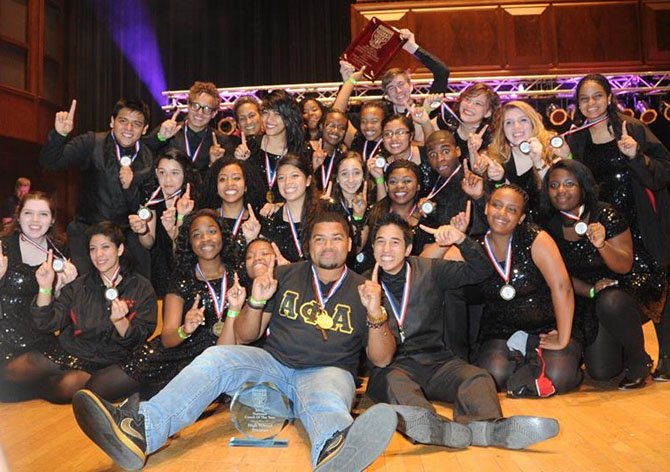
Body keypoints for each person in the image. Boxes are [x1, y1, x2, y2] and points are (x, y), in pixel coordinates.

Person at [71, 208, 399, 472]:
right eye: (319, 239)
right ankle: (140, 430)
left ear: (349, 243)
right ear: (309, 244)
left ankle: (335, 449)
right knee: (218, 357)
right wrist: (256, 300)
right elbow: (245, 335)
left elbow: (382, 359)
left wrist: (375, 313)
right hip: (274, 365)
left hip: (327, 371)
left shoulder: (365, 288)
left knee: (326, 400)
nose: (327, 246)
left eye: (336, 239)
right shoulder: (284, 276)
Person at [366, 212, 559, 449]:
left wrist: (461, 240)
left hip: (437, 362)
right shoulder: (362, 285)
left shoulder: (430, 270)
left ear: (407, 249)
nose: (386, 248)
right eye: (380, 241)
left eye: (394, 242)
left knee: (478, 376)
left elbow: (481, 271)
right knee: (395, 384)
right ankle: (431, 426)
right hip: (395, 368)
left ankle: (486, 427)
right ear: (373, 247)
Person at [565, 73, 670, 381]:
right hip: (607, 229)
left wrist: (636, 155)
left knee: (661, 286)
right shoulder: (576, 138)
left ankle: (667, 356)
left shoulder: (632, 128)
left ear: (609, 97)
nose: (591, 103)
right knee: (620, 293)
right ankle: (636, 355)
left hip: (642, 221)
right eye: (584, 98)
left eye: (597, 96)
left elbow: (663, 173)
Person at [88, 210, 242, 400]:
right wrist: (185, 329)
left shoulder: (239, 276)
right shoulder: (181, 279)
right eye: (196, 235)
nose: (205, 239)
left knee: (165, 396)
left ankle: (140, 404)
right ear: (190, 243)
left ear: (222, 235)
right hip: (174, 351)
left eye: (212, 231)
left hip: (209, 360)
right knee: (97, 387)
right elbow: (168, 337)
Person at [540, 160, 666, 388]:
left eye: (569, 184)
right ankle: (622, 347)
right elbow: (558, 276)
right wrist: (589, 290)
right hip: (586, 295)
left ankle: (639, 360)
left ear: (582, 187)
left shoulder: (605, 213)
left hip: (626, 288)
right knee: (602, 372)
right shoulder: (547, 225)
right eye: (554, 185)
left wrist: (601, 245)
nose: (561, 190)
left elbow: (625, 265)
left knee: (610, 300)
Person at [3, 222, 156, 403]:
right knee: (13, 371)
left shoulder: (140, 287)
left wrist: (120, 321)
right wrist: (45, 288)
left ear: (120, 249)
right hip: (70, 349)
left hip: (107, 360)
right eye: (93, 249)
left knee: (65, 386)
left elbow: (139, 340)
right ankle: (22, 390)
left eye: (105, 247)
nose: (98, 255)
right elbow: (47, 323)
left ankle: (31, 390)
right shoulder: (79, 285)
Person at [472, 185, 582, 394]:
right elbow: (428, 262)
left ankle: (533, 361)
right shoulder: (475, 245)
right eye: (497, 205)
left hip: (549, 325)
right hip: (502, 330)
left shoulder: (535, 238)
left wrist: (563, 337)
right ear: (486, 208)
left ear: (521, 218)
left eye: (512, 210)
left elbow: (562, 287)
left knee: (559, 377)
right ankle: (527, 361)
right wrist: (446, 238)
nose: (502, 214)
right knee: (493, 377)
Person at [39, 98, 154, 278]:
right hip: (86, 235)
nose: (129, 129)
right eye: (123, 121)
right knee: (85, 294)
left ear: (144, 129)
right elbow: (51, 162)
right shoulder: (91, 142)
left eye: (136, 124)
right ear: (111, 121)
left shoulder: (148, 158)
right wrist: (59, 135)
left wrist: (129, 185)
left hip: (125, 240)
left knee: (135, 292)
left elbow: (143, 206)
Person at [0, 192, 77, 363]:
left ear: (52, 220)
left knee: (75, 376)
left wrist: (58, 289)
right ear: (18, 217)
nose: (35, 220)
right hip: (5, 341)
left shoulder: (59, 251)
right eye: (28, 213)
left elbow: (56, 316)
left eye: (43, 214)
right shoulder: (3, 246)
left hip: (40, 338)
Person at [128, 149, 198, 297]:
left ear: (185, 174)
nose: (167, 179)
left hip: (189, 264)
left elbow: (183, 247)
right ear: (155, 172)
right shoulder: (151, 196)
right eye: (162, 172)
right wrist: (143, 231)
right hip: (159, 266)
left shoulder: (193, 199)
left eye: (174, 173)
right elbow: (148, 243)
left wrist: (180, 219)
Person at [144, 81, 239, 176]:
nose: (200, 113)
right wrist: (160, 138)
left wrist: (214, 164)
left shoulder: (221, 142)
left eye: (207, 109)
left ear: (214, 113)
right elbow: (143, 149)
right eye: (196, 106)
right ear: (188, 106)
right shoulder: (169, 130)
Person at [486, 101, 561, 218]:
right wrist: (499, 180)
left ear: (533, 124)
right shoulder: (497, 161)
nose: (516, 127)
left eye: (523, 120)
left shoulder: (553, 153)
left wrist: (538, 162)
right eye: (509, 123)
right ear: (503, 130)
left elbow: (558, 194)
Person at [243, 89, 306, 209]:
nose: (269, 120)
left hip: (287, 219)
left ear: (288, 118)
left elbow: (305, 194)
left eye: (277, 114)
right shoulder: (249, 147)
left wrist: (281, 206)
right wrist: (240, 162)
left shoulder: (299, 152)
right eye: (266, 112)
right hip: (253, 219)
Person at [259, 153, 316, 263]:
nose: (287, 182)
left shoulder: (323, 215)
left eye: (294, 176)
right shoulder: (270, 220)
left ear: (308, 180)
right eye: (281, 178)